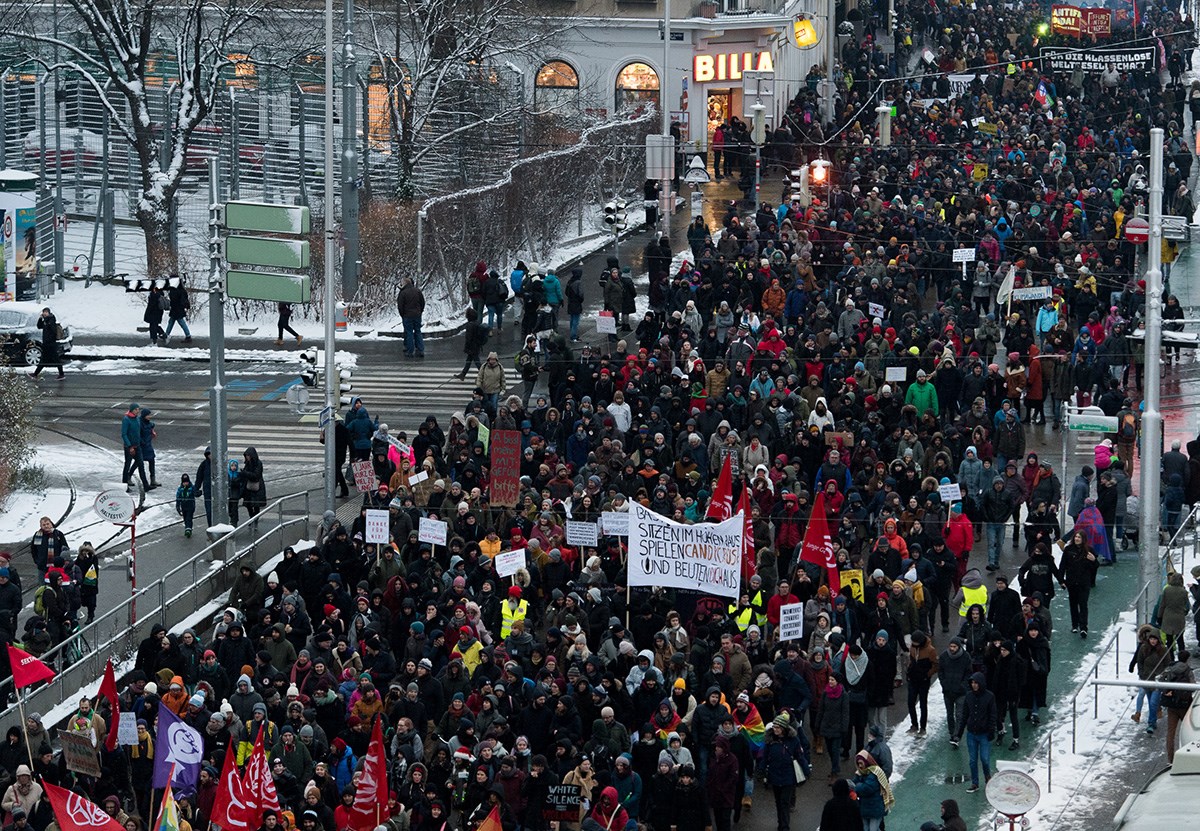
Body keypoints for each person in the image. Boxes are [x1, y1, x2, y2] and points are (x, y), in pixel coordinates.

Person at [760, 711, 806, 831]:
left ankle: (784, 826)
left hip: (788, 777)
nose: (775, 729)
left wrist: (806, 770)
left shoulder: (794, 740)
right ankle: (781, 822)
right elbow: (765, 757)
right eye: (774, 726)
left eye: (778, 727)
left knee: (785, 802)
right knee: (778, 802)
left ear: (784, 728)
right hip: (774, 776)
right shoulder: (769, 741)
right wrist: (761, 770)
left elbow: (800, 756)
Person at [1057, 531, 1098, 636]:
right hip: (1072, 582)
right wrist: (1061, 580)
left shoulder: (1089, 551)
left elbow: (1095, 568)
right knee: (1073, 604)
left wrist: (1094, 560)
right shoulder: (1068, 550)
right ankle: (1075, 625)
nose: (1076, 539)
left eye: (1079, 537)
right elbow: (1062, 566)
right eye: (1075, 537)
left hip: (1084, 582)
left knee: (1083, 604)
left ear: (1083, 539)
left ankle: (1083, 627)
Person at [1158, 649, 1195, 763]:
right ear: (1187, 659)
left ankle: (1171, 759)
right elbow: (1193, 686)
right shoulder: (1188, 671)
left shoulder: (1170, 668)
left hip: (1172, 706)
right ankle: (1189, 757)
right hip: (1185, 706)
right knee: (1190, 731)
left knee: (1171, 733)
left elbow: (1161, 680)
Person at [962, 673, 996, 793]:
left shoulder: (989, 697)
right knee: (972, 760)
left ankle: (987, 777)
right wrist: (960, 732)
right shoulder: (969, 696)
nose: (974, 685)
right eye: (972, 683)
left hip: (984, 734)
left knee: (985, 759)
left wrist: (991, 731)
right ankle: (975, 783)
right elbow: (965, 714)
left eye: (976, 683)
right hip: (972, 733)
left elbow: (992, 715)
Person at [121, 402, 151, 491]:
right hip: (129, 447)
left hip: (137, 446)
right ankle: (125, 485)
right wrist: (129, 446)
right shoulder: (126, 419)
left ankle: (146, 485)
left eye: (138, 409)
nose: (138, 411)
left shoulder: (137, 419)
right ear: (132, 410)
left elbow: (140, 431)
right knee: (127, 465)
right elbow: (124, 434)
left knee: (141, 465)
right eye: (136, 409)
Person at [29, 307, 64, 380]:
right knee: (45, 359)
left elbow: (53, 331)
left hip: (51, 344)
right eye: (43, 312)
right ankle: (35, 374)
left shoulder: (51, 320)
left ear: (49, 313)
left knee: (55, 359)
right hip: (46, 344)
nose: (44, 313)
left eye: (46, 312)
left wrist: (47, 322)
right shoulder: (46, 320)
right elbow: (39, 326)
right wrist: (40, 319)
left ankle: (61, 374)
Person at [397, 277, 426, 358]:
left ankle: (410, 351)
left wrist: (402, 314)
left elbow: (400, 305)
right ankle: (420, 350)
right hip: (417, 315)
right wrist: (420, 311)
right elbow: (422, 302)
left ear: (405, 283)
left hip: (407, 315)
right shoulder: (417, 291)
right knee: (418, 331)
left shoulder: (403, 293)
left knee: (409, 332)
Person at [456, 308, 488, 380]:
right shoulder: (477, 323)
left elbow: (468, 338)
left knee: (477, 362)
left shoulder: (469, 325)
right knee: (469, 361)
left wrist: (466, 347)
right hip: (476, 345)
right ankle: (463, 374)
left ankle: (484, 375)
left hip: (472, 346)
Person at [139, 407, 159, 490]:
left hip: (148, 445)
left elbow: (152, 425)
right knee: (138, 463)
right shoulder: (140, 423)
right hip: (142, 445)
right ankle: (129, 475)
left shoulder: (149, 423)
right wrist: (142, 442)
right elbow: (138, 434)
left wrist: (153, 431)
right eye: (148, 415)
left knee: (152, 461)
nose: (149, 416)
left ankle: (152, 479)